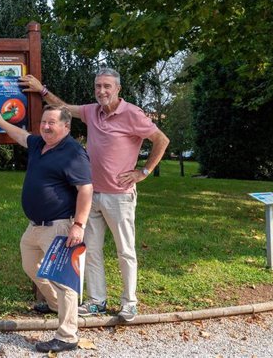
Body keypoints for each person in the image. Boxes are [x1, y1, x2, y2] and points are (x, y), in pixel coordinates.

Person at [19, 68, 170, 322]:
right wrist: (42, 90)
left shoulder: (131, 113)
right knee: (91, 251)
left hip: (119, 196)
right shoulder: (92, 112)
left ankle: (129, 302)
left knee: (125, 250)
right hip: (90, 194)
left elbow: (161, 139)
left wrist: (143, 171)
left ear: (118, 89)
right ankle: (96, 301)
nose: (102, 91)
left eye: (107, 86)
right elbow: (64, 107)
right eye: (98, 86)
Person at [0, 104, 92, 353]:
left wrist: (78, 225)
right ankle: (57, 306)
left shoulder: (73, 153)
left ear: (66, 126)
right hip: (35, 226)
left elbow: (86, 189)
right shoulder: (39, 145)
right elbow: (22, 135)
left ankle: (67, 335)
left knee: (64, 281)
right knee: (30, 265)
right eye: (44, 122)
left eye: (52, 123)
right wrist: (1, 122)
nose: (46, 126)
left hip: (60, 226)